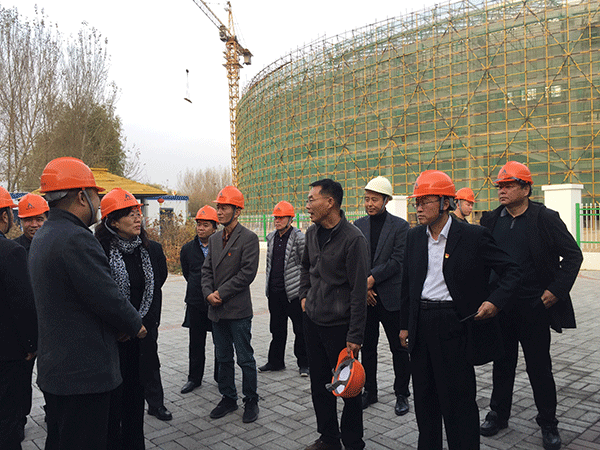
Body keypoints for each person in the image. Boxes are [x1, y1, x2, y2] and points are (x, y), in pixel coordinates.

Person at [28, 157, 146, 450]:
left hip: (58, 371)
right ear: (82, 196)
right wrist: (135, 325)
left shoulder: (45, 234)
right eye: (96, 195)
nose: (99, 202)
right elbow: (107, 296)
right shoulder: (77, 239)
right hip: (84, 376)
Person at [399, 170, 521, 450]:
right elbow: (407, 284)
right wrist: (405, 325)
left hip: (454, 325)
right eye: (416, 202)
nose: (418, 208)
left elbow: (512, 271)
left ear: (446, 202)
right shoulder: (414, 237)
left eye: (425, 201)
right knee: (425, 401)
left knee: (458, 402)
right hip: (421, 325)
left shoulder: (473, 236)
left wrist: (495, 301)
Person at [479, 161, 583, 450]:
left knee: (539, 368)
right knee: (502, 365)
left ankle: (548, 423)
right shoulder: (491, 220)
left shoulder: (544, 218)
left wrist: (556, 291)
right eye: (500, 186)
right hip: (501, 307)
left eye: (509, 185)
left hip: (533, 307)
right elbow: (482, 260)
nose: (502, 190)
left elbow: (573, 256)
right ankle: (498, 415)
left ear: (526, 189)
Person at [94, 188, 169, 449]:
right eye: (130, 214)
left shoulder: (152, 250)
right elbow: (99, 295)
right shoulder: (98, 251)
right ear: (113, 221)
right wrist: (122, 325)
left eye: (138, 213)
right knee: (113, 404)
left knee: (135, 401)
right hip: (113, 340)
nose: (138, 218)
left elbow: (157, 286)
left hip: (142, 336)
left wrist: (142, 323)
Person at [300, 178, 369, 450]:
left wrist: (355, 335)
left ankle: (353, 442)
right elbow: (305, 267)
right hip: (313, 322)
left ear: (330, 202)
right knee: (319, 385)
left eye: (311, 199)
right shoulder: (311, 234)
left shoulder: (353, 239)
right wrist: (304, 295)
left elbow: (358, 291)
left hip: (340, 328)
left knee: (349, 387)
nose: (307, 205)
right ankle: (329, 438)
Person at [202, 185, 260, 423]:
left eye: (224, 207)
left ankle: (251, 400)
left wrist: (220, 293)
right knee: (223, 357)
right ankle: (228, 397)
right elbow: (206, 270)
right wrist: (208, 293)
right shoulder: (214, 239)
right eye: (218, 207)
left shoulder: (249, 238)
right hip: (216, 310)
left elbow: (247, 273)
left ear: (237, 211)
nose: (219, 211)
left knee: (245, 358)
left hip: (238, 310)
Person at [353, 176, 411, 415]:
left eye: (374, 199)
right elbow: (355, 260)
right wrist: (365, 287)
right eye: (367, 199)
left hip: (391, 298)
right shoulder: (358, 225)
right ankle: (370, 391)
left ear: (386, 200)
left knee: (399, 348)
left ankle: (402, 393)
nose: (369, 204)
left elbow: (398, 261)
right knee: (368, 348)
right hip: (367, 298)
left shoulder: (400, 227)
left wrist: (371, 280)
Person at [0, 187, 37, 449]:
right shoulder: (11, 251)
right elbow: (23, 305)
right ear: (5, 216)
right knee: (8, 421)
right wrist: (31, 345)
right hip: (9, 354)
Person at [259, 201, 308, 376]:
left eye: (281, 218)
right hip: (275, 292)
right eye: (276, 218)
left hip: (293, 293)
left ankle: (304, 364)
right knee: (276, 329)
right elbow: (268, 264)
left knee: (300, 330)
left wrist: (303, 291)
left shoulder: (299, 238)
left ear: (290, 219)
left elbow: (305, 265)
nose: (277, 221)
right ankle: (275, 362)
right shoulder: (271, 237)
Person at [180, 205, 218, 394]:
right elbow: (187, 273)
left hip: (217, 302)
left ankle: (221, 376)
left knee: (220, 341)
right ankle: (194, 378)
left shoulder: (221, 247)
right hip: (195, 302)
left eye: (205, 225)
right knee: (196, 343)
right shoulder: (187, 249)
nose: (201, 228)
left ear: (214, 227)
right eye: (199, 224)